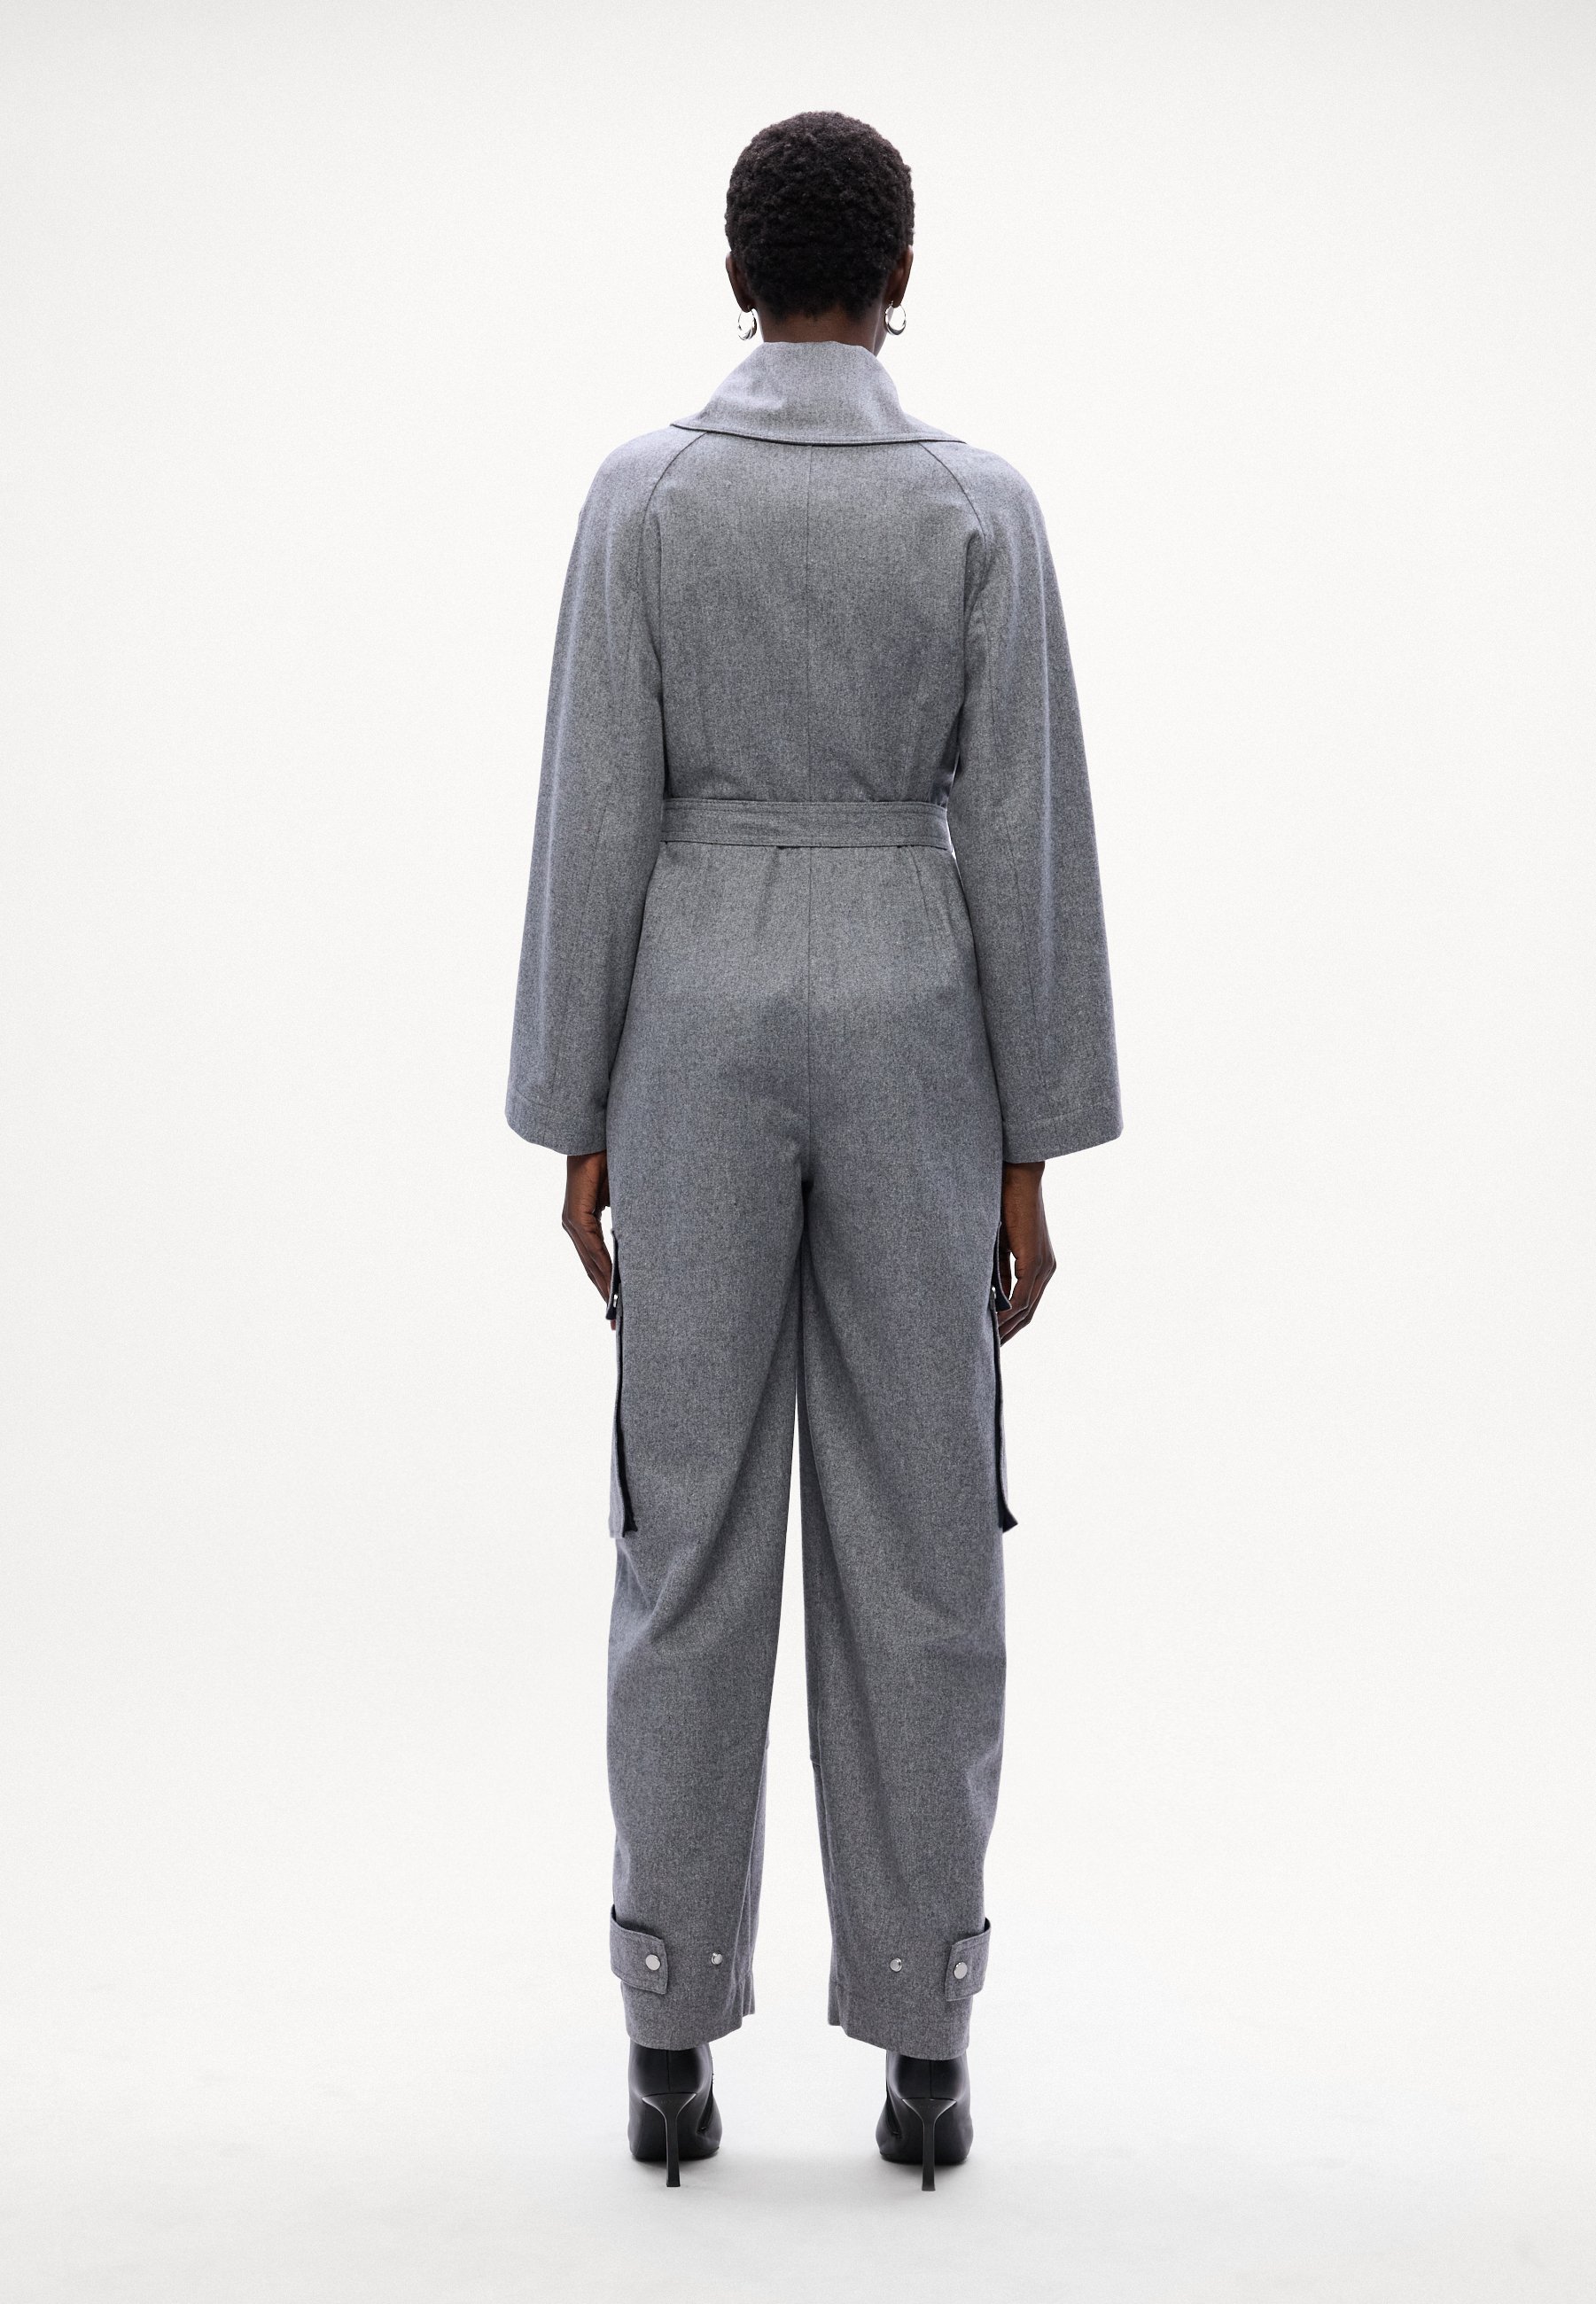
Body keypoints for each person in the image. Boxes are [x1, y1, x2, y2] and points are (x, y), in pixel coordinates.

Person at [505, 110, 1121, 2191]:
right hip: (916, 1034)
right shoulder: (977, 506)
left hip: (688, 1025)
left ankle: (666, 2035)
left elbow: (594, 807)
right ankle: (925, 2042)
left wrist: (574, 1109)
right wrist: (1032, 1147)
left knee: (683, 1530)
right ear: (900, 278)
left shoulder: (646, 496)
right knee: (926, 1534)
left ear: (736, 275)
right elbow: (1024, 835)